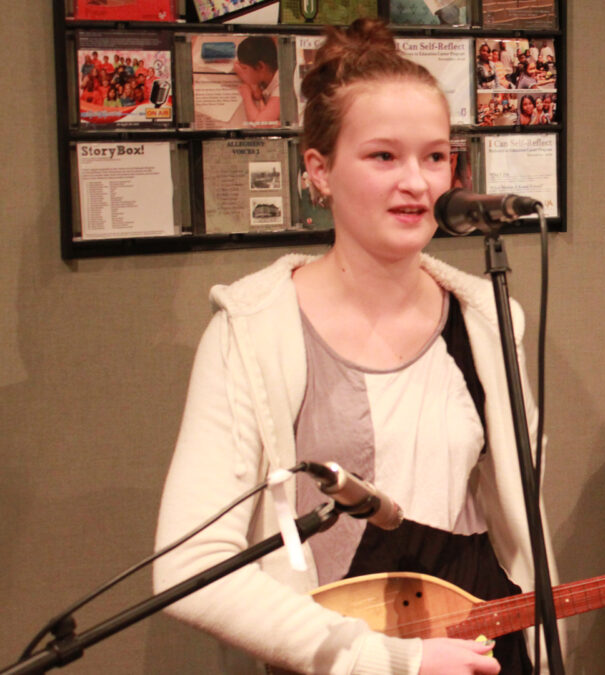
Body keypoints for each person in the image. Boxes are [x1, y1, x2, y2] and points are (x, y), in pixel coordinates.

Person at [153, 18, 557, 675]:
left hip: (479, 652)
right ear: (319, 170)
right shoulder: (252, 329)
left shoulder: (488, 321)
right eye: (383, 156)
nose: (417, 182)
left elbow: (520, 520)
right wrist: (389, 658)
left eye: (435, 156)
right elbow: (189, 563)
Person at [233, 34, 281, 125]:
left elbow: (259, 125)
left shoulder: (281, 88)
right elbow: (236, 66)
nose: (243, 71)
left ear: (260, 66)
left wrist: (246, 96)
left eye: (245, 68)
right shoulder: (268, 73)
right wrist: (255, 88)